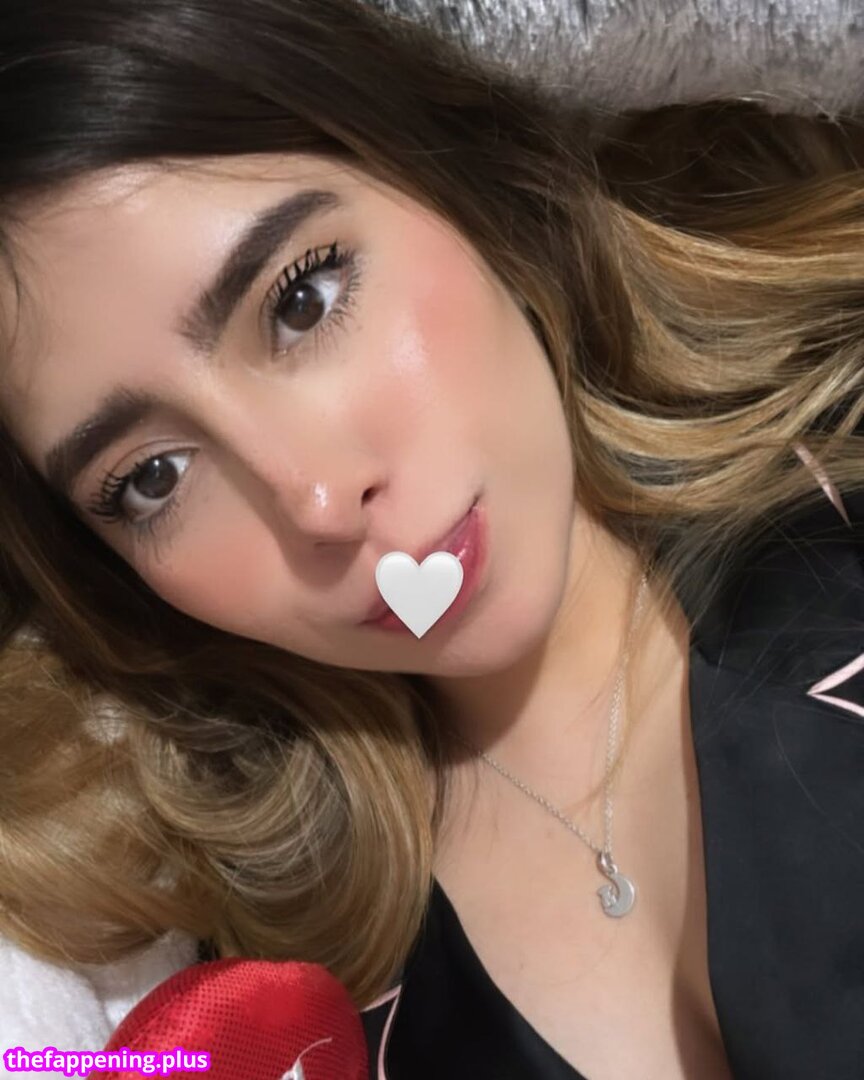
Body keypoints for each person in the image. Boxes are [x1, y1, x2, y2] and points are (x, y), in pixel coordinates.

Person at [0, 1, 862, 1077]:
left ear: (452, 173)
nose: (318, 502)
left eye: (303, 301)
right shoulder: (275, 1004)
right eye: (152, 479)